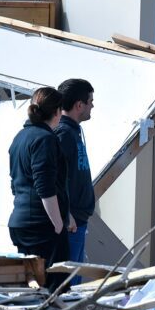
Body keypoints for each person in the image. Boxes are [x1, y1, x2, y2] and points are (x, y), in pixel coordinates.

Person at [8, 87, 69, 291]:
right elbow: (45, 186)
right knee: (54, 289)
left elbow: (14, 183)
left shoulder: (20, 137)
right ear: (57, 112)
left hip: (21, 222)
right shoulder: (45, 139)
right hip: (42, 227)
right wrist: (58, 223)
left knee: (29, 287)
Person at [55, 78, 95, 285]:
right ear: (79, 105)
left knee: (74, 282)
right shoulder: (63, 134)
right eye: (90, 101)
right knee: (68, 285)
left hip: (78, 221)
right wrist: (66, 213)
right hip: (70, 224)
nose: (92, 106)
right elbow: (54, 179)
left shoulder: (74, 132)